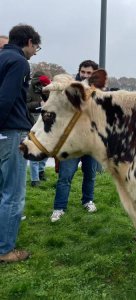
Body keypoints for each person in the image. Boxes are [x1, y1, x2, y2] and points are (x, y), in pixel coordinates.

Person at [0, 24, 41, 263]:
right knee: (13, 193)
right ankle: (5, 250)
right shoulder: (19, 62)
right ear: (28, 42)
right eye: (36, 46)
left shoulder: (2, 58)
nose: (35, 52)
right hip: (10, 131)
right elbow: (6, 98)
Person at [50, 60, 99, 222]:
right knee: (65, 176)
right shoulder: (68, 88)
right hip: (71, 143)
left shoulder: (99, 91)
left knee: (90, 175)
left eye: (89, 73)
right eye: (83, 71)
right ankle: (59, 207)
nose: (85, 75)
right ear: (79, 71)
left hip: (90, 143)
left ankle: (88, 200)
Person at [27, 71, 51, 187]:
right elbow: (24, 106)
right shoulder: (28, 89)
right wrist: (38, 103)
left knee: (46, 151)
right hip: (33, 124)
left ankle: (41, 172)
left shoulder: (46, 89)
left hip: (45, 124)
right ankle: (34, 179)